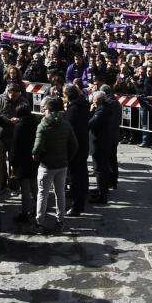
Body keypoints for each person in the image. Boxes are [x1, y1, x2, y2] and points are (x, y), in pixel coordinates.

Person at [32, 96, 78, 233]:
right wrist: (67, 158)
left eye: (44, 109)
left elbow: (37, 147)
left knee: (42, 194)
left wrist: (36, 155)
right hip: (62, 165)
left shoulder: (43, 125)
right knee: (60, 193)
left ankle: (39, 222)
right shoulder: (66, 124)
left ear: (48, 109)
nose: (43, 111)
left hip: (46, 165)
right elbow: (75, 145)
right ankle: (60, 220)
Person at [9, 98, 40, 223]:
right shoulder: (36, 123)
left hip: (22, 162)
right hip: (34, 159)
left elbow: (15, 147)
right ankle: (37, 209)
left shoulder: (19, 127)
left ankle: (25, 212)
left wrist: (12, 163)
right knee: (34, 186)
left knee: (25, 189)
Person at [63, 84, 90, 215]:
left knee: (75, 177)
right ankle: (82, 197)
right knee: (82, 173)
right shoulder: (83, 104)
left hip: (76, 146)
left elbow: (69, 128)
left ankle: (76, 206)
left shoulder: (73, 109)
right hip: (83, 144)